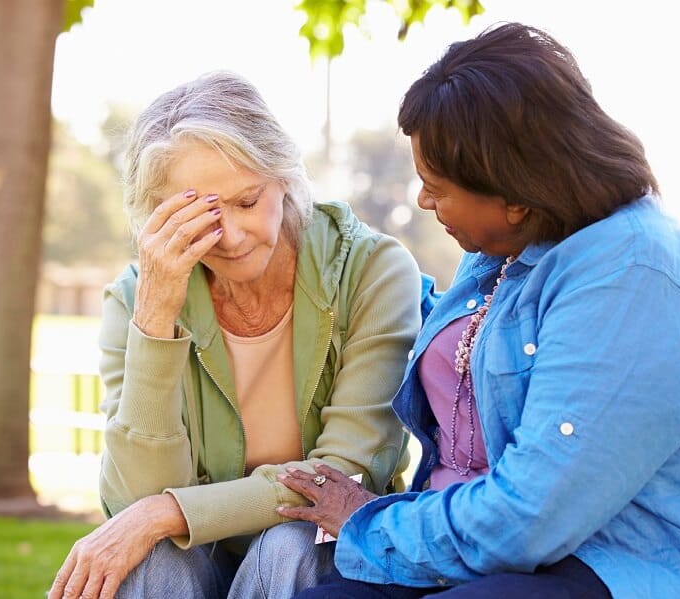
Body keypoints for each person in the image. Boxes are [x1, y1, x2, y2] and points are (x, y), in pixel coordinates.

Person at [277, 22, 680, 598]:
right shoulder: (504, 254)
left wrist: (374, 523)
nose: (423, 201)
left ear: (515, 193)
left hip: (647, 564)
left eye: (438, 186)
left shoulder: (633, 272)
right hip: (510, 560)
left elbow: (529, 516)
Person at [48, 70, 424, 599]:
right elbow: (133, 500)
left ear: (284, 178)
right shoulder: (135, 299)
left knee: (290, 545)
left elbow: (340, 480)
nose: (230, 236)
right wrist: (155, 319)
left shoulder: (372, 270)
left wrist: (166, 512)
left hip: (315, 563)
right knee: (154, 562)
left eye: (247, 201)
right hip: (189, 565)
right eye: (196, 215)